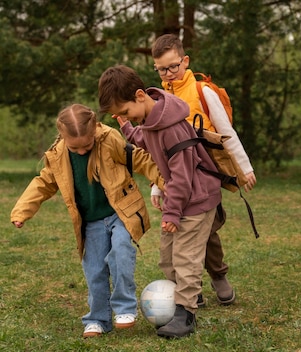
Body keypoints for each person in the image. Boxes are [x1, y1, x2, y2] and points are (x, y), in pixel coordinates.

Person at [10, 104, 165, 338]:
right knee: (94, 271)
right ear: (63, 137)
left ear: (94, 131)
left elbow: (141, 159)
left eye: (87, 145)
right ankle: (98, 319)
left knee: (121, 251)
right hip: (90, 223)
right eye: (75, 147)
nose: (82, 151)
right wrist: (22, 210)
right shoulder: (58, 156)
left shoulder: (109, 139)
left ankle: (124, 308)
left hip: (120, 214)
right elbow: (43, 183)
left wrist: (164, 182)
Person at [98, 64, 222, 338]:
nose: (127, 116)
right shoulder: (152, 121)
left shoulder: (173, 127)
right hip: (179, 200)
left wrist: (172, 213)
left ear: (141, 95)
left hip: (196, 199)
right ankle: (187, 297)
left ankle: (186, 313)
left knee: (185, 257)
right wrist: (129, 130)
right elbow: (148, 138)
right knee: (167, 258)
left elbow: (183, 176)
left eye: (126, 111)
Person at [148, 33, 257, 307]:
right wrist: (157, 185)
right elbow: (159, 151)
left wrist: (243, 168)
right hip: (177, 178)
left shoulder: (202, 91)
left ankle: (218, 275)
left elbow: (226, 132)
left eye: (174, 66)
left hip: (206, 175)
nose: (170, 73)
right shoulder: (158, 100)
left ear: (185, 61)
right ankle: (190, 289)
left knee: (205, 231)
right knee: (180, 234)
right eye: (163, 69)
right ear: (155, 68)